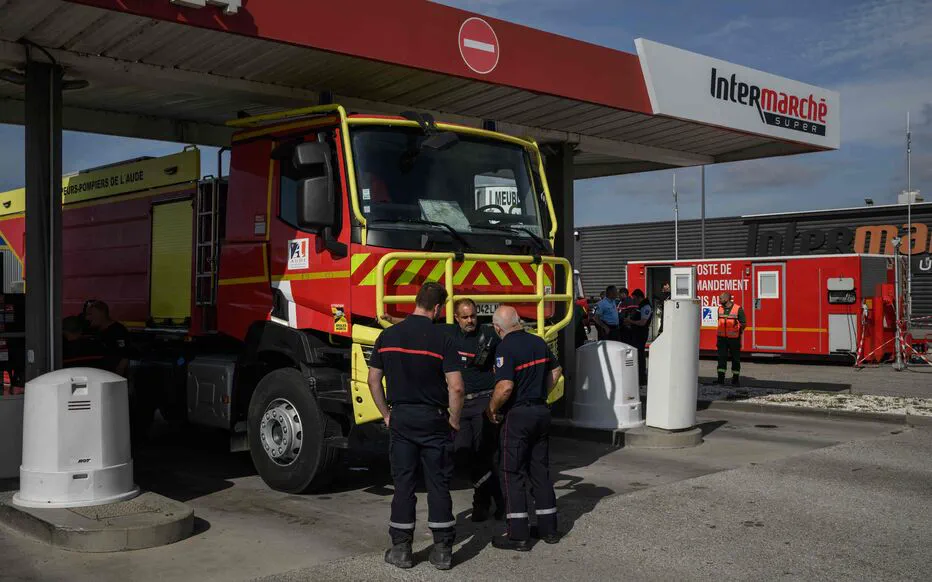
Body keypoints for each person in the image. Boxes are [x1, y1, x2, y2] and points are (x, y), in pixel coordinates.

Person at [367, 282, 465, 571]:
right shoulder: (443, 339)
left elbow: (374, 381)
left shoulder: (388, 336)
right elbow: (456, 388)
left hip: (402, 418)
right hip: (434, 418)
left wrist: (386, 414)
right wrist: (454, 421)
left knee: (404, 484)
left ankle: (401, 549)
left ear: (416, 302)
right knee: (438, 483)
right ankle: (443, 550)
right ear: (437, 308)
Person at [486, 306, 563, 552]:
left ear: (498, 328)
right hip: (541, 412)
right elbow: (556, 369)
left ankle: (517, 533)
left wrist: (492, 409)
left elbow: (505, 387)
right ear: (518, 321)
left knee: (512, 473)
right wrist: (541, 394)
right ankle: (549, 529)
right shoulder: (538, 342)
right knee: (540, 470)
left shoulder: (505, 348)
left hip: (518, 416)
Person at [443, 298, 506, 523]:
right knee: (462, 453)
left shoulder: (489, 334)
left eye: (473, 316)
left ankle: (485, 503)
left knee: (486, 455)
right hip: (461, 404)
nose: (470, 321)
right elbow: (421, 324)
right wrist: (391, 319)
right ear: (456, 318)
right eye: (465, 317)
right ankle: (496, 498)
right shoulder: (448, 334)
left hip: (483, 401)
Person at [86, 301, 131, 376]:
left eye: (90, 314)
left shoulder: (118, 330)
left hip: (113, 374)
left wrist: (119, 371)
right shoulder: (93, 330)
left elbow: (126, 354)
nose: (87, 318)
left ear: (101, 313)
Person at [716, 292, 746, 386]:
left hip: (734, 339)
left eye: (721, 298)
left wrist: (738, 332)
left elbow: (743, 323)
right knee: (721, 359)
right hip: (722, 339)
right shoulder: (720, 308)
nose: (719, 300)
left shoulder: (738, 309)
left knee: (735, 359)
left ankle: (735, 380)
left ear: (726, 299)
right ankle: (720, 380)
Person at [624, 289, 652, 386]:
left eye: (634, 298)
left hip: (641, 333)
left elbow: (643, 322)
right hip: (636, 333)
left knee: (640, 356)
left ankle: (642, 379)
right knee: (635, 355)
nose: (633, 300)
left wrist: (630, 321)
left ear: (639, 297)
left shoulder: (646, 306)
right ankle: (637, 378)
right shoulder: (641, 306)